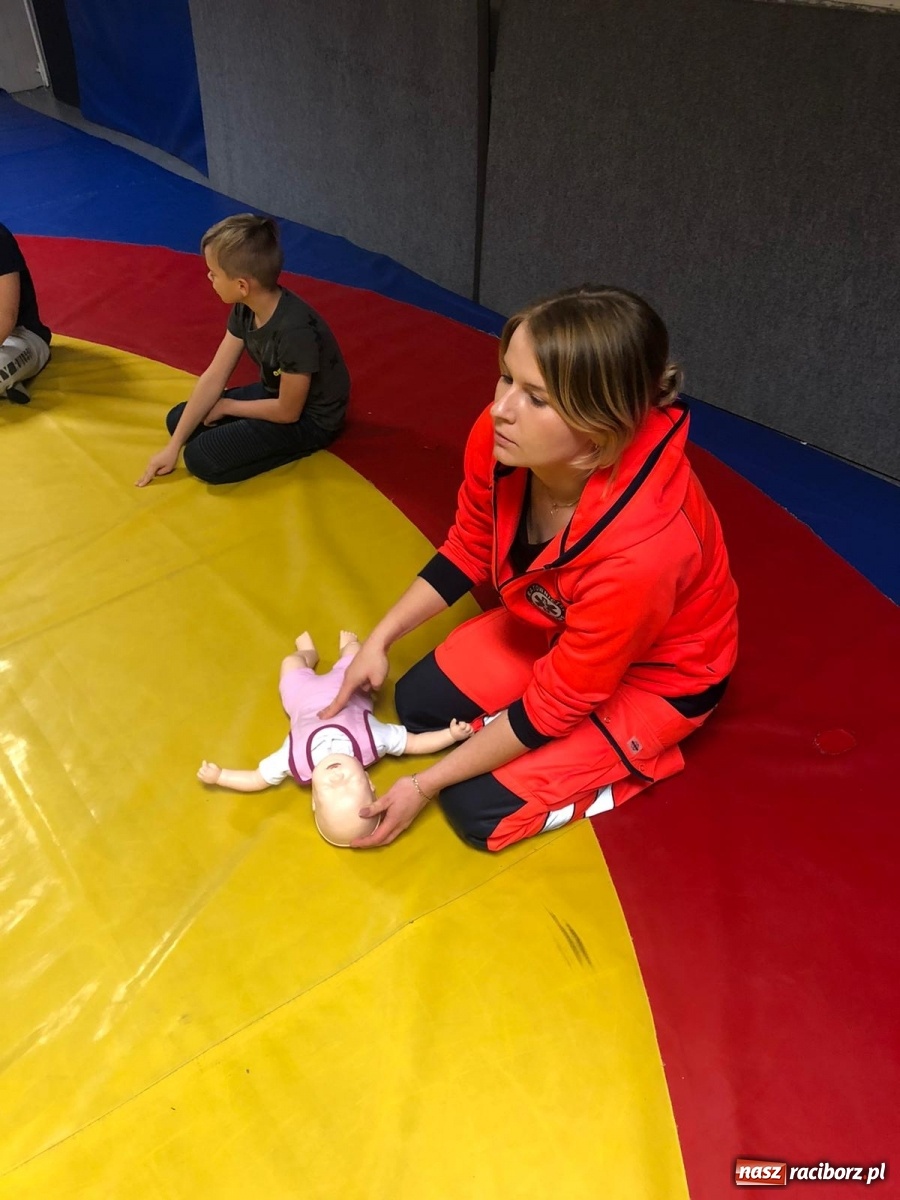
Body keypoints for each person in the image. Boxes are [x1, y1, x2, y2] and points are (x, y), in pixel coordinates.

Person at [320, 284, 739, 852]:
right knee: (417, 705)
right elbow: (470, 544)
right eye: (506, 378)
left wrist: (423, 783)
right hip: (564, 627)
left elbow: (557, 703)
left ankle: (624, 765)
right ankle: (516, 725)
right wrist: (380, 639)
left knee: (475, 810)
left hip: (660, 677)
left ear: (599, 423)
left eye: (536, 398)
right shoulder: (501, 440)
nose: (502, 409)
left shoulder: (643, 550)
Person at [197, 630, 473, 846]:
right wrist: (450, 735)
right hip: (349, 681)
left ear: (314, 800)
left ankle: (306, 654)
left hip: (300, 695)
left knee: (290, 663)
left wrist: (221, 776)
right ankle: (346, 647)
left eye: (329, 791)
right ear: (369, 781)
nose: (337, 779)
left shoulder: (295, 759)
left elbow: (257, 778)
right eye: (351, 785)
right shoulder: (371, 740)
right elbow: (414, 743)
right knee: (356, 653)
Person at [136, 214, 350, 486]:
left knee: (200, 459)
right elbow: (215, 375)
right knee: (178, 421)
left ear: (241, 285)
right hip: (276, 392)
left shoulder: (295, 331)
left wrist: (228, 407)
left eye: (214, 273)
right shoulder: (246, 307)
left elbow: (288, 412)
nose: (209, 277)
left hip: (310, 419)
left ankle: (291, 448)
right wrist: (173, 446)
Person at [0, 223, 51, 406]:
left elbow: (6, 317)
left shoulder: (0, 240)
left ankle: (9, 376)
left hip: (20, 336)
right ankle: (10, 382)